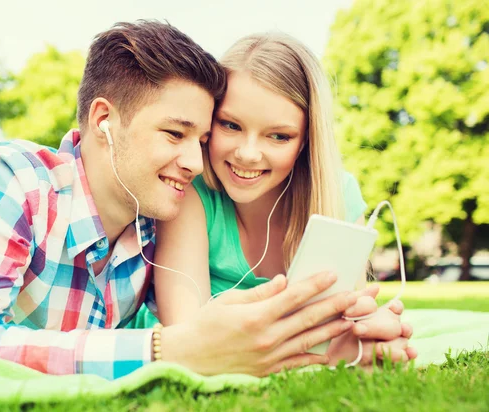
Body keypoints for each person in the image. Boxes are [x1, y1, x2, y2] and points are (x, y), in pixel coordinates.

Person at [0, 21, 367, 380]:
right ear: (104, 120)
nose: (194, 162)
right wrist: (160, 350)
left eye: (203, 138)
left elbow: (217, 330)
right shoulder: (16, 179)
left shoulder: (152, 224)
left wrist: (344, 338)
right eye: (175, 133)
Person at [129, 32, 417, 366]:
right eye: (231, 125)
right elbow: (190, 338)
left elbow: (338, 323)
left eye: (279, 136)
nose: (249, 154)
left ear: (306, 140)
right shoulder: (192, 191)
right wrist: (322, 350)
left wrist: (362, 336)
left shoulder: (338, 193)